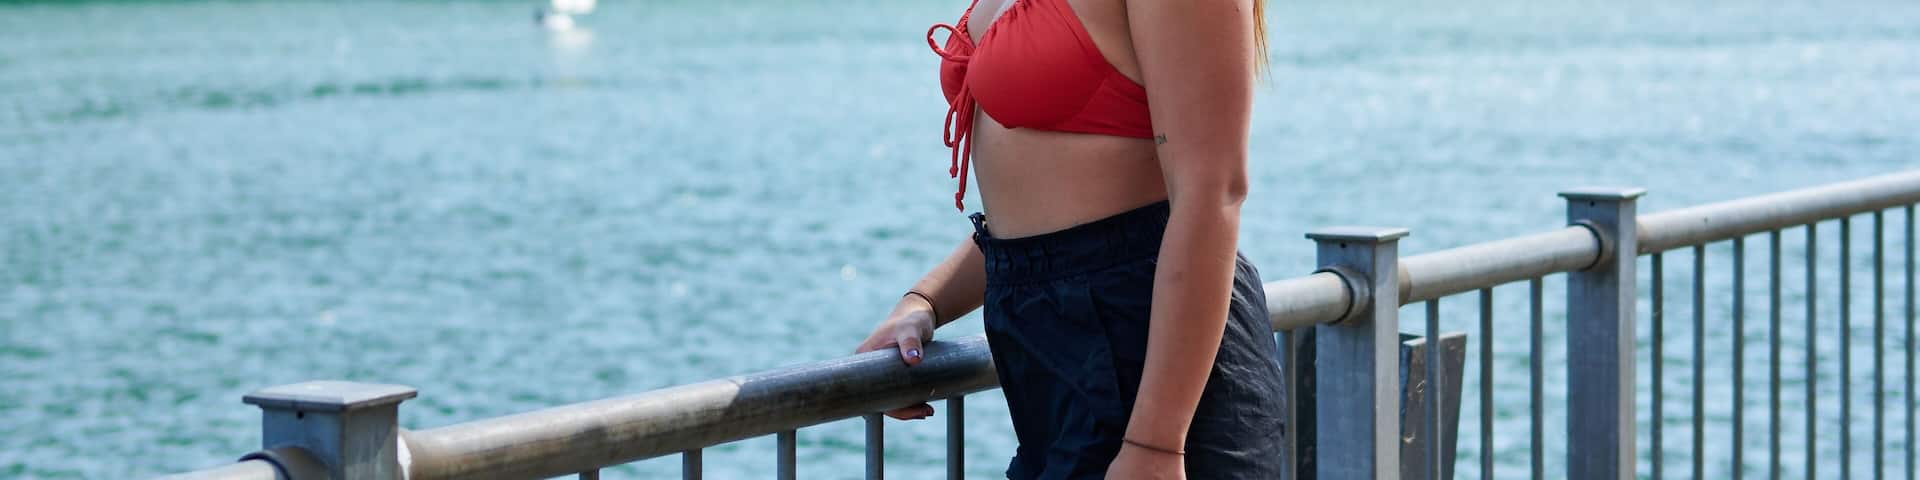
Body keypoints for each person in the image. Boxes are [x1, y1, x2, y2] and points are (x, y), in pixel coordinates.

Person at [852, 0, 1282, 477]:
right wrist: (923, 303)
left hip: (1155, 374)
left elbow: (1212, 193)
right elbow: (1044, 220)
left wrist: (1156, 443)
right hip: (1054, 372)